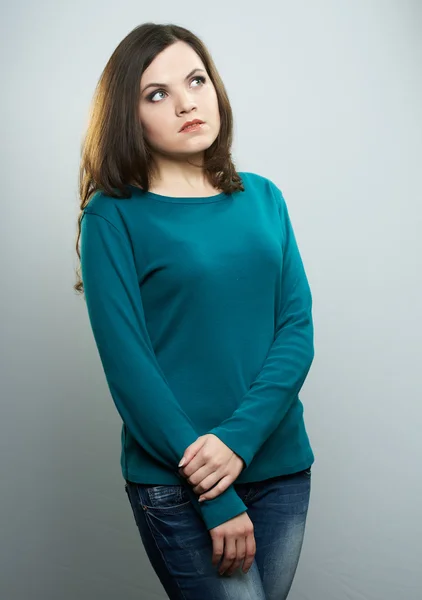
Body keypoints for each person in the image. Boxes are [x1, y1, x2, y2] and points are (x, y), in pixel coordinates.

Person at [74, 22, 315, 600]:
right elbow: (131, 371)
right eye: (156, 93)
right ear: (129, 117)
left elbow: (296, 332)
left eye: (196, 80)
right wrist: (216, 492)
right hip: (180, 482)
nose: (186, 102)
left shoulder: (264, 197)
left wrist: (239, 440)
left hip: (280, 467)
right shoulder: (112, 217)